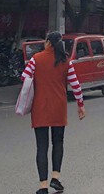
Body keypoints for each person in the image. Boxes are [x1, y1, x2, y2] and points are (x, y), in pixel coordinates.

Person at [21, 32, 85, 194]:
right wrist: (80, 105)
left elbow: (24, 76)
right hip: (58, 107)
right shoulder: (65, 61)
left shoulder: (36, 59)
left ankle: (43, 186)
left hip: (40, 107)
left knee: (41, 147)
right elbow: (75, 84)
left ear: (48, 42)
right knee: (58, 143)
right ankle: (55, 178)